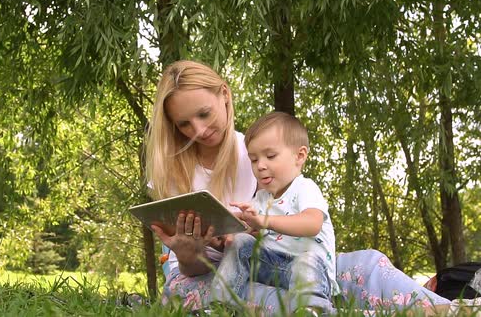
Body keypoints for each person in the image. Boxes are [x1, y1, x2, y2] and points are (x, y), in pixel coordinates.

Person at [145, 60, 451, 313]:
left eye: (204, 114)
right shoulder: (172, 170)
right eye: (185, 124)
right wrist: (189, 254)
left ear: (224, 95)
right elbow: (191, 267)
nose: (198, 130)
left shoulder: (258, 153)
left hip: (274, 264)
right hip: (204, 280)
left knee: (363, 265)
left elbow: (293, 229)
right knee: (239, 294)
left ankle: (452, 308)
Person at [211, 112, 338, 314]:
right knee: (241, 242)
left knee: (307, 261)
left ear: (300, 156)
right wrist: (223, 225)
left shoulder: (304, 187)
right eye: (253, 159)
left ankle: (312, 309)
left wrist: (264, 221)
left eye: (270, 156)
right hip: (272, 266)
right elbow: (247, 230)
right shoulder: (261, 199)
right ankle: (221, 306)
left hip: (310, 271)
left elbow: (312, 224)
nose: (260, 165)